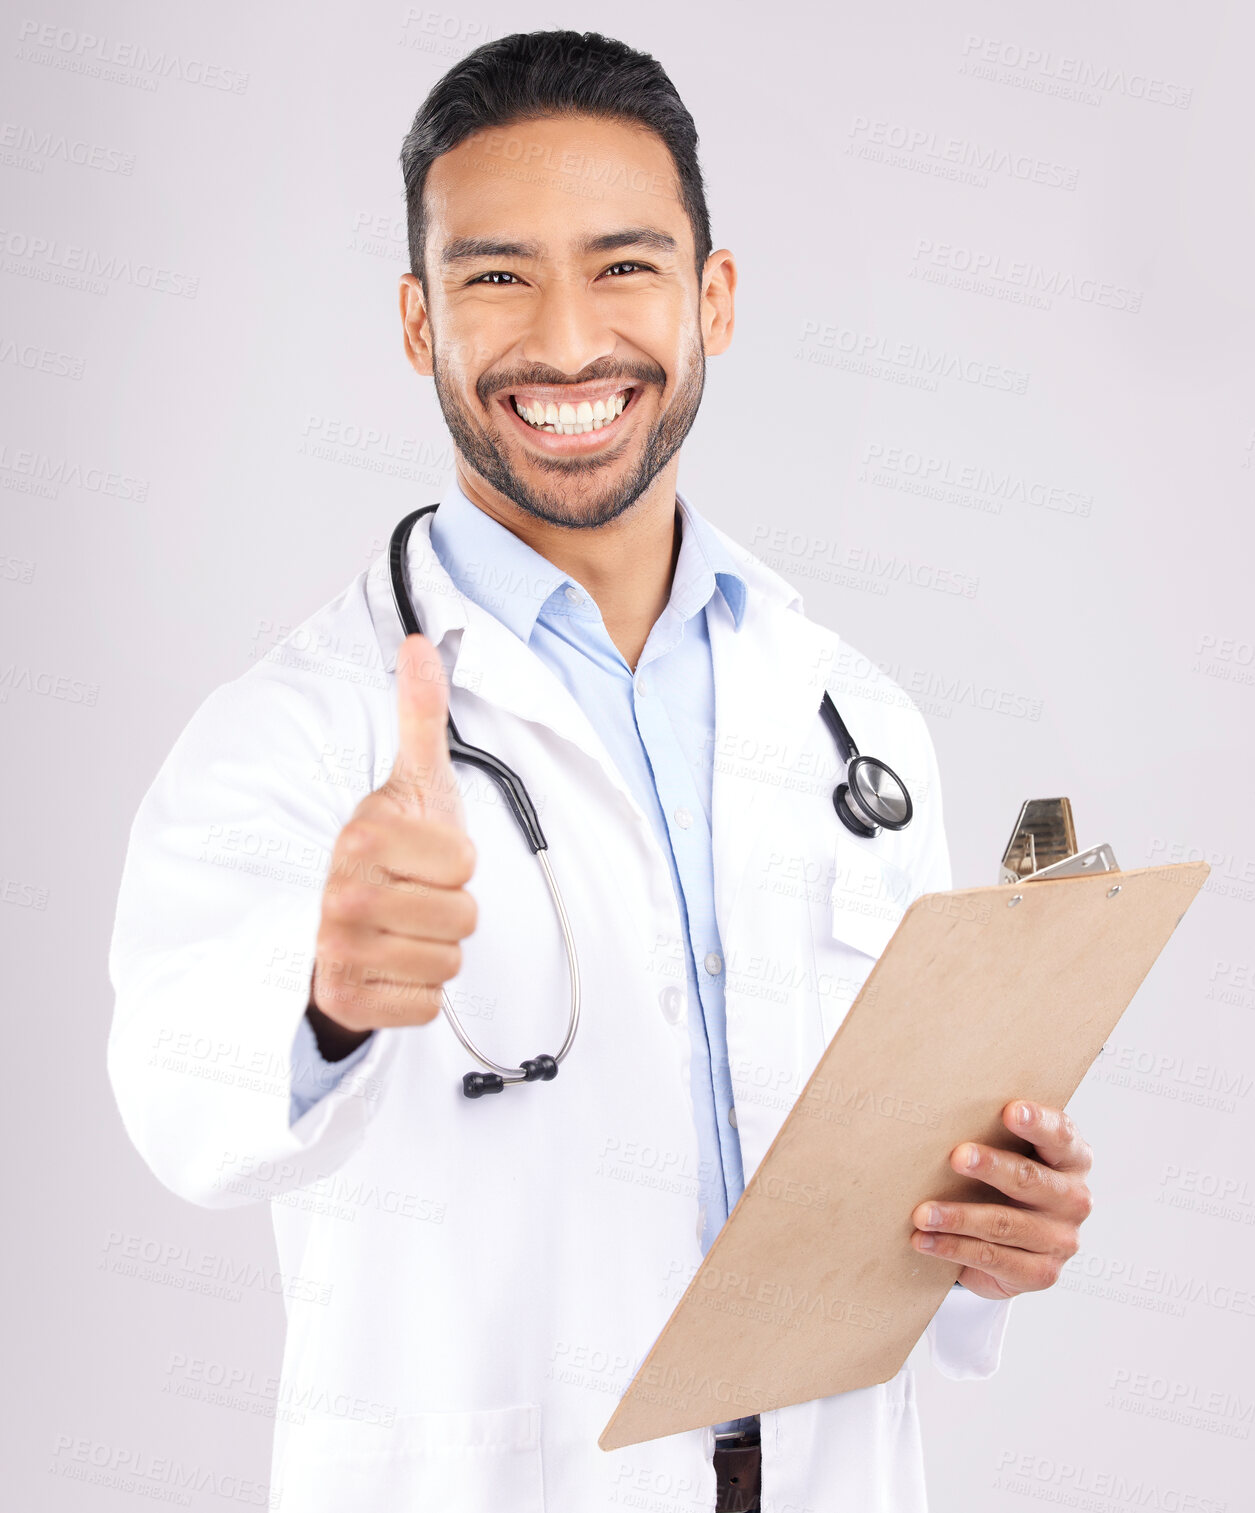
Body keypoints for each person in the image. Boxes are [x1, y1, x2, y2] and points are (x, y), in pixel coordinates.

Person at [107, 30, 1094, 1513]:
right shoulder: (301, 728)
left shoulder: (856, 718)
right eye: (495, 276)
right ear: (414, 320)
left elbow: (888, 1156)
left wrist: (994, 1236)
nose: (567, 342)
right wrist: (323, 993)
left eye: (623, 267)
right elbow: (176, 1101)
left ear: (715, 298)